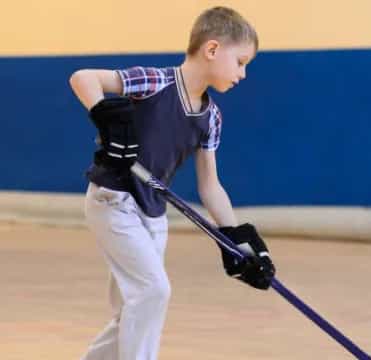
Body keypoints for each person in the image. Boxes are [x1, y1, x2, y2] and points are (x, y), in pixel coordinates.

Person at [69, 6, 276, 360]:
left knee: (133, 312)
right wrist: (106, 117)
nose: (243, 74)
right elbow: (82, 78)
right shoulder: (155, 81)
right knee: (153, 292)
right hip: (113, 202)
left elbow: (209, 185)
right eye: (240, 62)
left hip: (152, 214)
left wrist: (235, 237)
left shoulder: (211, 117)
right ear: (212, 50)